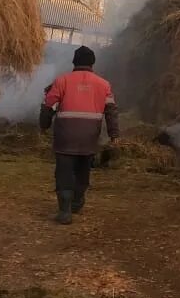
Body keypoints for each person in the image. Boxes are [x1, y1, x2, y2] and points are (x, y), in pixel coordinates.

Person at [39, 46, 120, 225]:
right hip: (89, 137)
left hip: (65, 137)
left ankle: (64, 211)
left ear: (74, 62)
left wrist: (43, 126)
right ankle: (77, 202)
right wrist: (114, 135)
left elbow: (48, 106)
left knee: (64, 172)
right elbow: (111, 112)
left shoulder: (61, 81)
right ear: (92, 63)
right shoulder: (104, 84)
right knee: (83, 171)